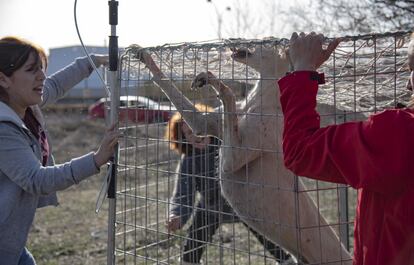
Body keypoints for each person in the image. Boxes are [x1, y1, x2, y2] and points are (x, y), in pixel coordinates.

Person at [279, 31, 414, 265]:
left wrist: (302, 70)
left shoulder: (401, 132)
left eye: (412, 67)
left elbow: (299, 151)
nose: (408, 82)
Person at [0, 36, 119, 265]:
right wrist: (95, 159)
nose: (42, 76)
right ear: (3, 79)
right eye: (31, 69)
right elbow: (37, 179)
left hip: (10, 240)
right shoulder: (4, 128)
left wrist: (93, 62)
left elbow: (54, 85)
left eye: (41, 68)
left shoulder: (24, 104)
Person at [165, 105, 293, 265]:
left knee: (269, 238)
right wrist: (177, 215)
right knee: (191, 250)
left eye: (199, 129)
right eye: (189, 133)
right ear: (182, 138)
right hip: (210, 208)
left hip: (244, 204)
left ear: (210, 125)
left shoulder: (227, 145)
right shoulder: (189, 160)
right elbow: (183, 192)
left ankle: (287, 260)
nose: (196, 135)